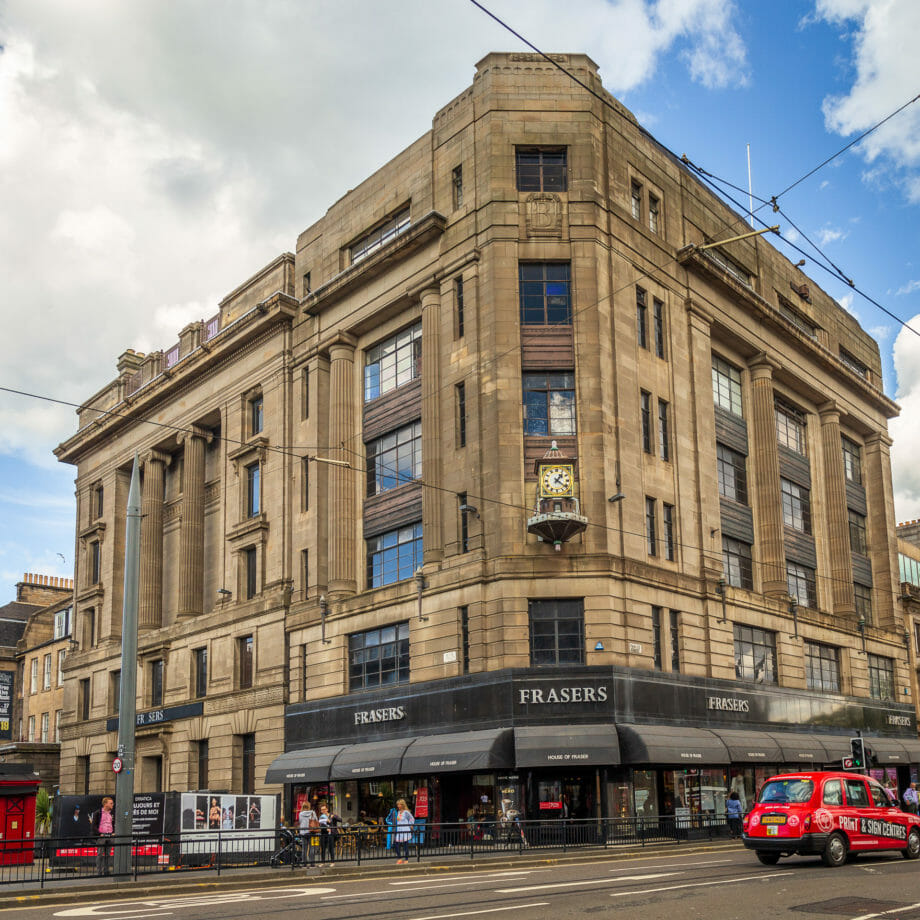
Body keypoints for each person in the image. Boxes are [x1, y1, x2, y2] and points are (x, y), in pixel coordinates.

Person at [92, 796, 115, 876]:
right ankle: (99, 871)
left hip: (110, 835)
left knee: (108, 854)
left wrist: (113, 832)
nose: (113, 804)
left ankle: (106, 870)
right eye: (111, 803)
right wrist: (99, 834)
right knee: (100, 854)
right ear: (105, 804)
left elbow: (112, 824)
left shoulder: (111, 814)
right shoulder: (98, 813)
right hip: (102, 836)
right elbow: (94, 825)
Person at [318, 802, 340, 866]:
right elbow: (321, 825)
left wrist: (335, 816)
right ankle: (322, 862)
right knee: (323, 848)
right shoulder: (321, 817)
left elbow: (340, 820)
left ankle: (332, 862)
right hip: (323, 833)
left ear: (327, 809)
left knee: (331, 848)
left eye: (324, 809)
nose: (323, 811)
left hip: (331, 834)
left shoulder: (331, 815)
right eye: (322, 810)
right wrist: (326, 829)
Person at [298, 800, 320, 867]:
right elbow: (316, 820)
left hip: (303, 833)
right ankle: (312, 863)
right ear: (309, 806)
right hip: (311, 832)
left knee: (304, 849)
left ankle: (304, 863)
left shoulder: (300, 814)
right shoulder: (312, 813)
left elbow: (300, 822)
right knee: (312, 848)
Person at [394, 798, 415, 865]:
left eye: (399, 804)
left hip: (405, 830)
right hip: (399, 830)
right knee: (396, 843)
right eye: (397, 804)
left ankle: (406, 859)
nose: (398, 806)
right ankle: (399, 858)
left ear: (402, 805)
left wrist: (410, 825)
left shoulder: (406, 812)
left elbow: (412, 818)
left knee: (405, 845)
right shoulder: (398, 812)